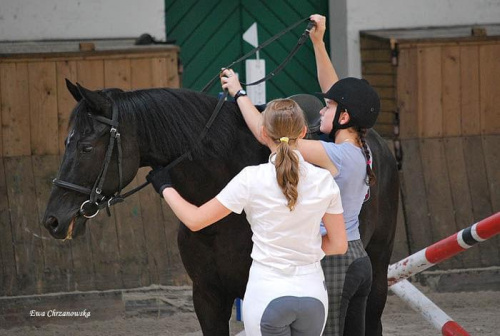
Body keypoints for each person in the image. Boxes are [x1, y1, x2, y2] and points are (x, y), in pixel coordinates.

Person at [220, 14, 380, 336]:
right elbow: (337, 92)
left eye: (329, 107)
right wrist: (318, 44)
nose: (322, 108)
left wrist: (239, 93)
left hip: (336, 261)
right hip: (359, 258)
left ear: (344, 117)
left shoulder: (334, 154)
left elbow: (271, 134)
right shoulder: (361, 149)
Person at [147, 98, 348, 336]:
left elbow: (194, 219)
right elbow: (338, 244)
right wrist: (308, 247)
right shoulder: (324, 180)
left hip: (267, 294)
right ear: (304, 132)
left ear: (263, 133)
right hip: (313, 297)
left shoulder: (251, 178)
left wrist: (165, 186)